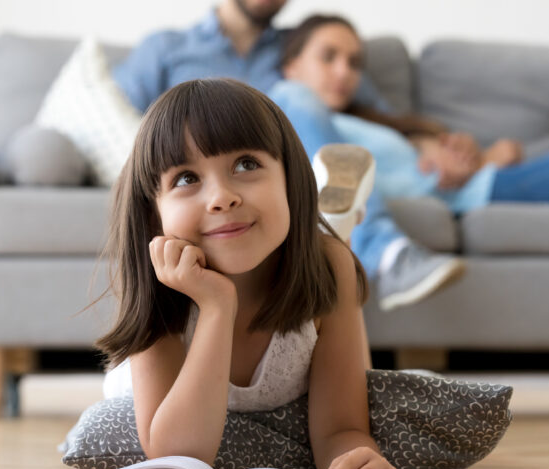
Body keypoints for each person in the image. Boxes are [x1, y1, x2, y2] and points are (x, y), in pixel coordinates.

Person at [97, 78, 405, 469]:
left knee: (333, 255)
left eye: (246, 164)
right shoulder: (156, 280)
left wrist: (359, 465)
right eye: (186, 178)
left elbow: (342, 430)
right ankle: (332, 214)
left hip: (306, 254)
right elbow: (177, 456)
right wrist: (216, 306)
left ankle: (331, 218)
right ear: (153, 213)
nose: (221, 197)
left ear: (290, 177)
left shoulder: (330, 265)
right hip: (158, 399)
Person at [113, 0, 464, 312]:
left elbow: (370, 112)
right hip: (202, 179)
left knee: (294, 96)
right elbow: (116, 120)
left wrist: (423, 140)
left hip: (282, 168)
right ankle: (382, 250)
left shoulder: (303, 47)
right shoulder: (165, 48)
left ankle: (364, 237)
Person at [275, 14, 549, 213]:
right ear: (291, 65)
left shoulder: (366, 122)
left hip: (498, 179)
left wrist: (473, 155)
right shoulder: (293, 117)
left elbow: (487, 157)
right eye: (329, 57)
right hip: (488, 194)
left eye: (354, 62)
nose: (345, 72)